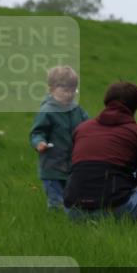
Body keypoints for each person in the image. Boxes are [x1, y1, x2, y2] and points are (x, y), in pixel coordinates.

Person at [64, 82, 137, 223]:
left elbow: (70, 168)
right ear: (135, 105)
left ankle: (109, 226)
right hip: (114, 204)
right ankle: (135, 230)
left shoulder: (81, 129)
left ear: (106, 101)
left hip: (73, 208)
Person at [29, 66, 89, 210]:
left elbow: (89, 126)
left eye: (72, 90)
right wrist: (39, 143)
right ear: (51, 89)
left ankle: (72, 218)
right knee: (56, 202)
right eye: (65, 90)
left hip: (73, 166)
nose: (69, 94)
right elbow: (37, 132)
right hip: (52, 167)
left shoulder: (77, 110)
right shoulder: (47, 111)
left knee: (73, 201)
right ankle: (56, 219)